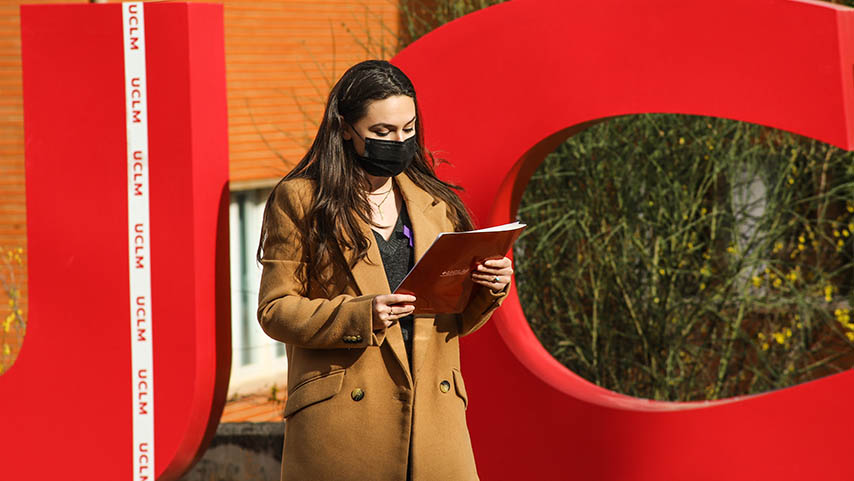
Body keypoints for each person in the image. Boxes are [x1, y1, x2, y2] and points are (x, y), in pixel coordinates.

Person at [256, 59, 513, 481]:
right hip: (345, 428)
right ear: (344, 127)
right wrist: (360, 314)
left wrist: (487, 288)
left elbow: (453, 320)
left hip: (434, 424)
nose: (399, 141)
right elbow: (275, 309)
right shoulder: (301, 199)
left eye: (408, 129)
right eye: (382, 132)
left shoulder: (437, 202)